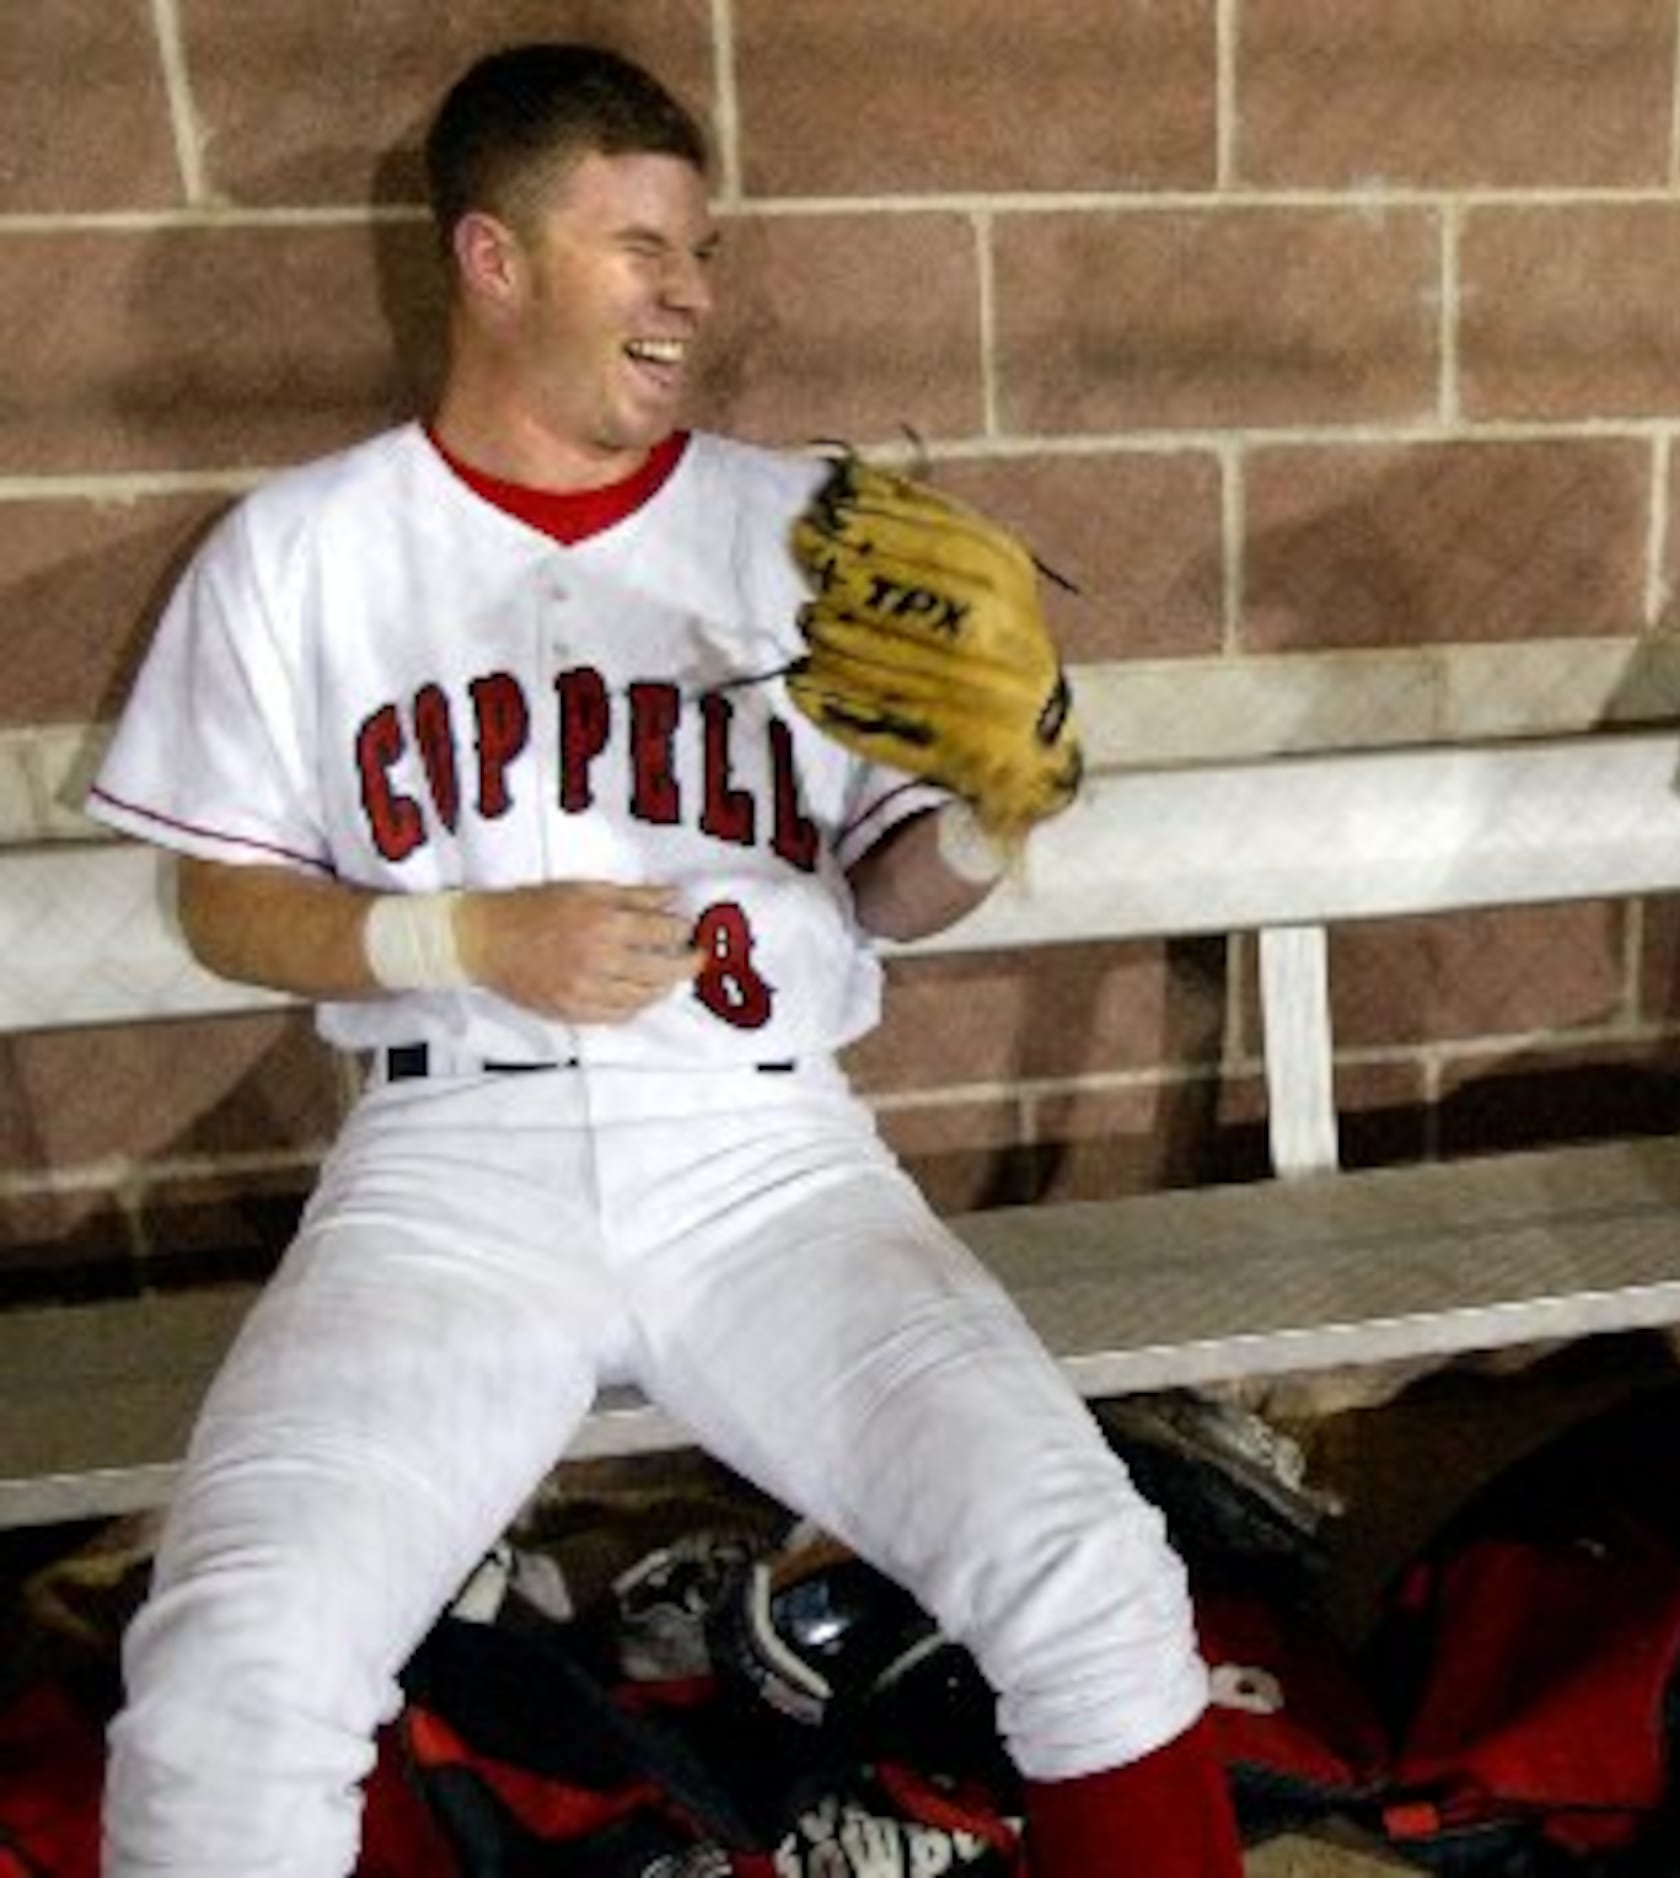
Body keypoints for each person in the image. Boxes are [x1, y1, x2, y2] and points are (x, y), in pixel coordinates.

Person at [83, 43, 1243, 1878]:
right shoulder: (301, 550)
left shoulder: (807, 529)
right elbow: (226, 901)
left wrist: (992, 810)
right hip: (448, 1171)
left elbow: (882, 899)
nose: (689, 290)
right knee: (232, 1680)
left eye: (696, 248)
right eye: (635, 244)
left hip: (766, 1157)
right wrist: (458, 933)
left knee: (1088, 1571)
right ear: (493, 257)